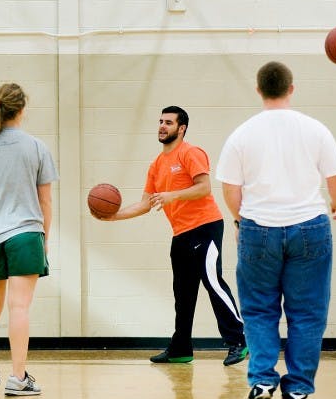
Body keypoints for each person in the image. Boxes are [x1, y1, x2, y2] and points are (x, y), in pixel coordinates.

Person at [215, 61, 336, 399]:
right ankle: (299, 387)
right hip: (310, 225)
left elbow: (231, 188)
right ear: (292, 88)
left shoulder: (242, 134)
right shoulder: (315, 129)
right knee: (307, 313)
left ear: (258, 90)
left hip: (259, 227)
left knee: (259, 310)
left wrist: (240, 221)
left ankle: (261, 380)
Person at [97, 106, 247, 366]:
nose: (162, 126)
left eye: (168, 122)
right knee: (183, 293)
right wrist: (113, 216)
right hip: (181, 234)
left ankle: (239, 341)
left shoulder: (191, 152)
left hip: (206, 227)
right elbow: (146, 203)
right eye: (160, 121)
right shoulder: (156, 164)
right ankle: (181, 349)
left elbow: (203, 187)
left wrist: (172, 195)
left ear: (182, 128)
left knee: (213, 282)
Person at [0, 83, 56, 396]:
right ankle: (18, 378)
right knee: (20, 308)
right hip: (25, 234)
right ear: (21, 110)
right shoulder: (36, 147)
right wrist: (44, 240)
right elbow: (46, 202)